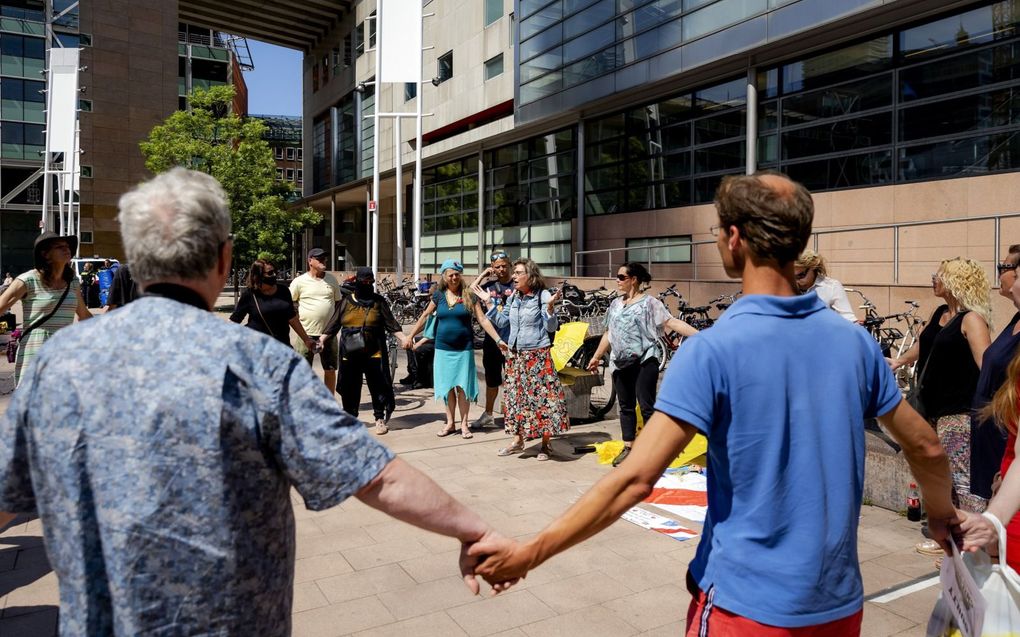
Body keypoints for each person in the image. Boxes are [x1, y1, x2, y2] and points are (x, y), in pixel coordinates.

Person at [0, 168, 514, 635]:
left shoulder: (59, 363)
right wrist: (476, 529)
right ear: (224, 259)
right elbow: (375, 476)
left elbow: (6, 496)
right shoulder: (259, 365)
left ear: (137, 262)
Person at [470, 173, 964, 635]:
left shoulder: (712, 350)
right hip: (838, 606)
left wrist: (531, 551)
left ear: (733, 239)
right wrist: (940, 515)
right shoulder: (854, 345)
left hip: (741, 605)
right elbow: (925, 446)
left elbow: (635, 478)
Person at [891, 257, 992, 525]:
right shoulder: (939, 313)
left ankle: (971, 542)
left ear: (956, 281)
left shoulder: (971, 319)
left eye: (940, 274)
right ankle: (947, 538)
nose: (933, 278)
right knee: (939, 478)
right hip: (931, 411)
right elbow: (925, 344)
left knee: (961, 480)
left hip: (958, 414)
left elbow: (986, 365)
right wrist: (899, 360)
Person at [587, 262, 698, 467]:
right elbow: (608, 333)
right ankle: (629, 447)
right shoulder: (615, 305)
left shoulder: (649, 303)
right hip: (620, 362)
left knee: (646, 405)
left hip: (645, 359)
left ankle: (653, 450)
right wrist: (596, 356)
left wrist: (703, 336)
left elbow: (671, 322)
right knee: (626, 406)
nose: (617, 281)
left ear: (633, 279)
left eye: (621, 277)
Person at [474, 257, 568, 461]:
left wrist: (551, 310)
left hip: (537, 355)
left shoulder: (542, 295)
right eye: (514, 273)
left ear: (530, 276)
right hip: (516, 356)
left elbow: (551, 327)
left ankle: (545, 444)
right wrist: (489, 302)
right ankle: (518, 440)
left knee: (541, 401)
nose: (514, 276)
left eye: (518, 273)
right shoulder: (514, 297)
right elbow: (502, 321)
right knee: (518, 401)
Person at [405, 259, 503, 439]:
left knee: (463, 388)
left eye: (457, 273)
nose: (454, 277)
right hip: (443, 349)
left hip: (464, 349)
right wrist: (411, 336)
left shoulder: (469, 295)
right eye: (450, 274)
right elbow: (426, 316)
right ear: (444, 276)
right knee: (447, 388)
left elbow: (482, 319)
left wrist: (498, 339)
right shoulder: (438, 296)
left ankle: (464, 424)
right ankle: (450, 423)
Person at [320, 267, 408, 435]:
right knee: (350, 386)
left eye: (370, 282)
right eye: (364, 282)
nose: (367, 284)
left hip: (374, 352)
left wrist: (403, 338)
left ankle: (379, 418)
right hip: (350, 352)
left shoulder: (378, 301)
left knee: (378, 386)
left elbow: (391, 324)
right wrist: (322, 340)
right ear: (357, 282)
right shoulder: (346, 302)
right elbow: (333, 324)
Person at [967, 245, 1020, 515]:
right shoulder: (1016, 320)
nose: (1000, 275)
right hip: (990, 435)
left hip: (1006, 440)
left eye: (1005, 268)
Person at [0, 232, 92, 385]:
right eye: (60, 247)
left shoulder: (72, 282)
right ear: (45, 254)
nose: (66, 249)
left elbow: (84, 315)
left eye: (67, 246)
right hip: (35, 352)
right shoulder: (28, 280)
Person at [469, 250, 514, 430]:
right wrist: (483, 274)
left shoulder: (516, 283)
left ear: (510, 265)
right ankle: (488, 414)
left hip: (511, 340)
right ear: (493, 268)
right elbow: (471, 290)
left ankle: (512, 415)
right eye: (497, 267)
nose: (501, 269)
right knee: (492, 379)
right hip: (492, 339)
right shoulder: (488, 286)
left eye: (504, 265)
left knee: (512, 379)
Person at [290, 247, 344, 392]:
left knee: (330, 369)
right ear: (310, 261)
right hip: (305, 334)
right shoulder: (299, 281)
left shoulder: (331, 279)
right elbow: (290, 305)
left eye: (324, 258)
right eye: (319, 259)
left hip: (328, 334)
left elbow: (338, 303)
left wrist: (333, 326)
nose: (323, 261)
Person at [230, 259, 314, 350]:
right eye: (270, 273)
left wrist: (306, 339)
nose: (274, 275)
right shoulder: (250, 295)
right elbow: (235, 319)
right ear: (259, 275)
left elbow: (292, 318)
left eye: (275, 271)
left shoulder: (283, 291)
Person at [793, 249, 856, 321]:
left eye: (801, 275)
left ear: (813, 267)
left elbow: (848, 318)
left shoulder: (832, 287)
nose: (796, 281)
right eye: (792, 276)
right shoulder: (786, 287)